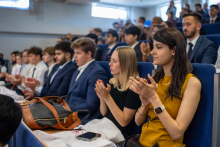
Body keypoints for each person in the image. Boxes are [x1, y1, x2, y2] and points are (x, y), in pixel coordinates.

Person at [128, 28, 201, 147]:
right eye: (153, 47)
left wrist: (154, 99)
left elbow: (176, 133)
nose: (152, 52)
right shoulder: (156, 79)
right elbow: (138, 121)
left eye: (159, 47)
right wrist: (145, 103)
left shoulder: (191, 83)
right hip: (142, 142)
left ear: (174, 50)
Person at [95, 47, 141, 138]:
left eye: (114, 61)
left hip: (119, 133)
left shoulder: (134, 88)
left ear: (126, 64)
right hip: (105, 125)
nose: (110, 64)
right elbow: (104, 113)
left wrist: (107, 97)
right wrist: (102, 98)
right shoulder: (113, 82)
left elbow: (123, 122)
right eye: (110, 60)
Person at [67, 38, 108, 124]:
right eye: (75, 53)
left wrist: (66, 108)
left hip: (83, 120)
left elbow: (90, 106)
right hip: (70, 115)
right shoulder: (77, 70)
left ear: (88, 54)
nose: (74, 56)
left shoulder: (97, 72)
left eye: (78, 53)